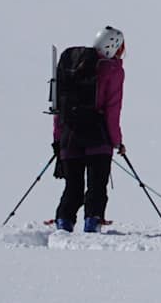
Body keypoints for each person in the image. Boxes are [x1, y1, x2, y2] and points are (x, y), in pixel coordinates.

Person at [53, 26, 126, 233]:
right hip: (97, 135)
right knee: (96, 186)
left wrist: (58, 139)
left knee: (72, 187)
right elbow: (113, 109)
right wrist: (116, 141)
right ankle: (92, 223)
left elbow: (59, 106)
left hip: (70, 134)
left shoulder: (72, 65)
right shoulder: (112, 70)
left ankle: (63, 223)